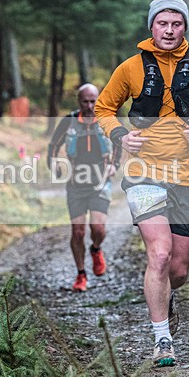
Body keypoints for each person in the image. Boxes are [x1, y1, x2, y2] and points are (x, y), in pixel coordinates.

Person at [95, 0, 189, 367]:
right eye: (162, 23)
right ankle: (162, 340)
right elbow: (104, 108)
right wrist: (121, 136)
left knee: (178, 269)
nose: (169, 31)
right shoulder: (129, 68)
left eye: (176, 24)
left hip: (188, 175)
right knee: (158, 253)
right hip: (143, 173)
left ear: (184, 26)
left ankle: (167, 294)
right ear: (151, 26)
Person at [47, 84, 122, 292]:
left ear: (99, 100)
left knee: (97, 228)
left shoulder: (107, 119)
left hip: (100, 182)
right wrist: (53, 164)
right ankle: (81, 275)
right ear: (78, 102)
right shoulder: (70, 121)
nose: (89, 106)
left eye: (93, 101)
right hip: (75, 183)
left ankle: (96, 249)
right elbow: (53, 145)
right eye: (85, 101)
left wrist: (114, 166)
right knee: (78, 232)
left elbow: (118, 143)